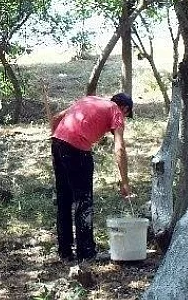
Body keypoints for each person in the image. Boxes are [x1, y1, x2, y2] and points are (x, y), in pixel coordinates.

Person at [50, 93, 133, 262]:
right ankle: (86, 253)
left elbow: (57, 117)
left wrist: (57, 139)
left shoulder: (90, 99)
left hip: (58, 142)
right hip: (77, 149)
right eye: (126, 115)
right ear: (124, 108)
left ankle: (64, 252)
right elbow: (119, 148)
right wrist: (125, 182)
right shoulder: (116, 111)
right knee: (84, 201)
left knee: (64, 199)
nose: (123, 119)